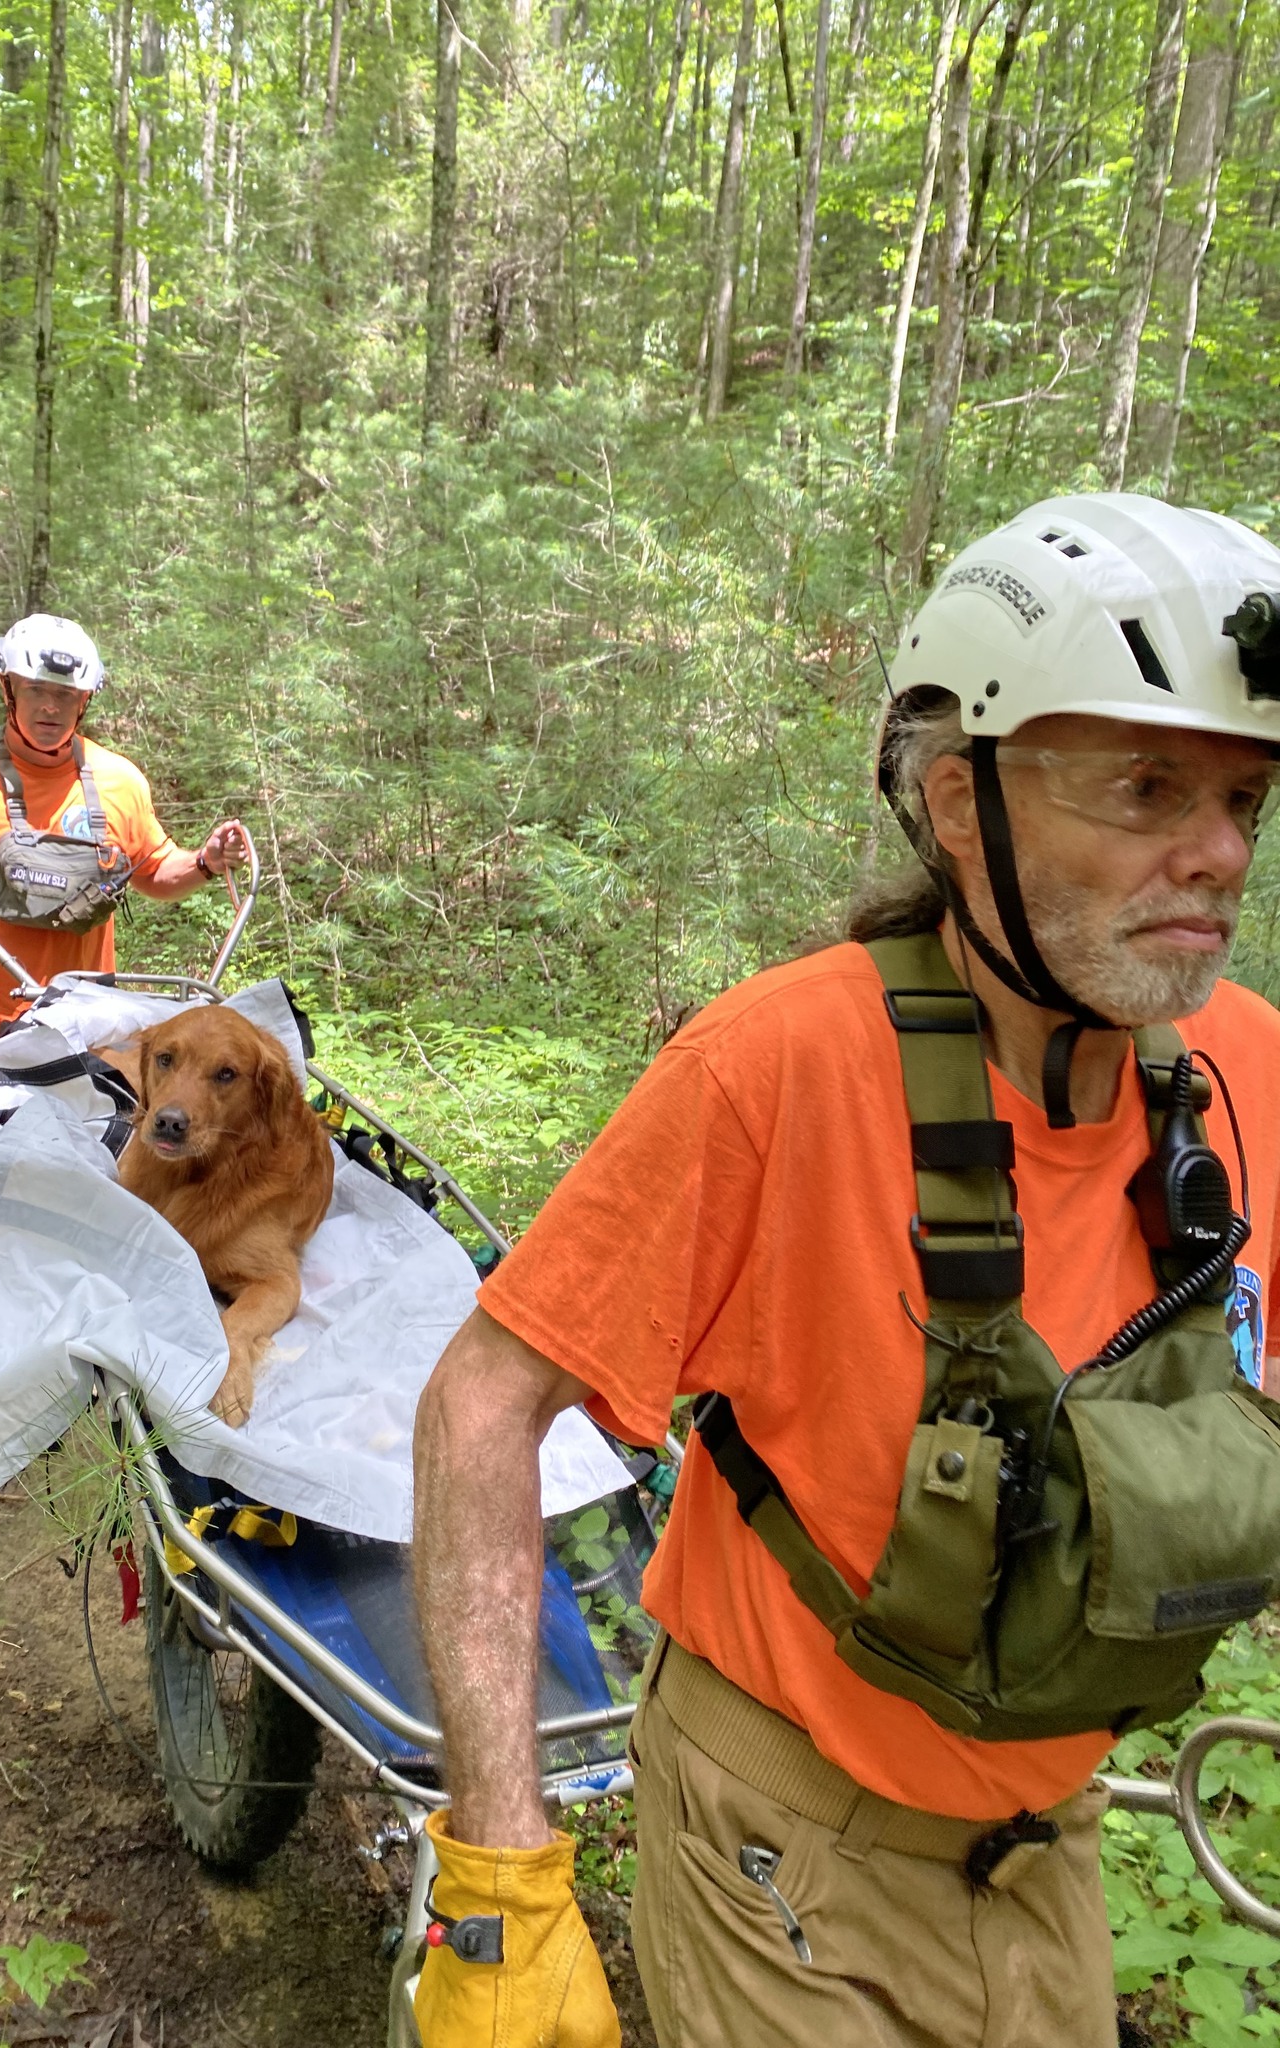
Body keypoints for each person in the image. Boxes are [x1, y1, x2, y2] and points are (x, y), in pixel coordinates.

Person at [411, 494, 1280, 2048]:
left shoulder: (1249, 1078)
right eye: (1149, 787)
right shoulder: (780, 1067)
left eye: (1243, 800)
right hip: (783, 1841)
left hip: (1043, 1834)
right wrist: (500, 1873)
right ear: (963, 804)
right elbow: (485, 1403)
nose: (1216, 855)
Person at [0, 613, 249, 1176]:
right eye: (36, 690)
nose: (50, 707)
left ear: (84, 700)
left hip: (86, 1023)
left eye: (66, 695)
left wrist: (207, 863)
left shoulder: (118, 780)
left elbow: (157, 872)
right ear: (8, 687)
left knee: (84, 1168)